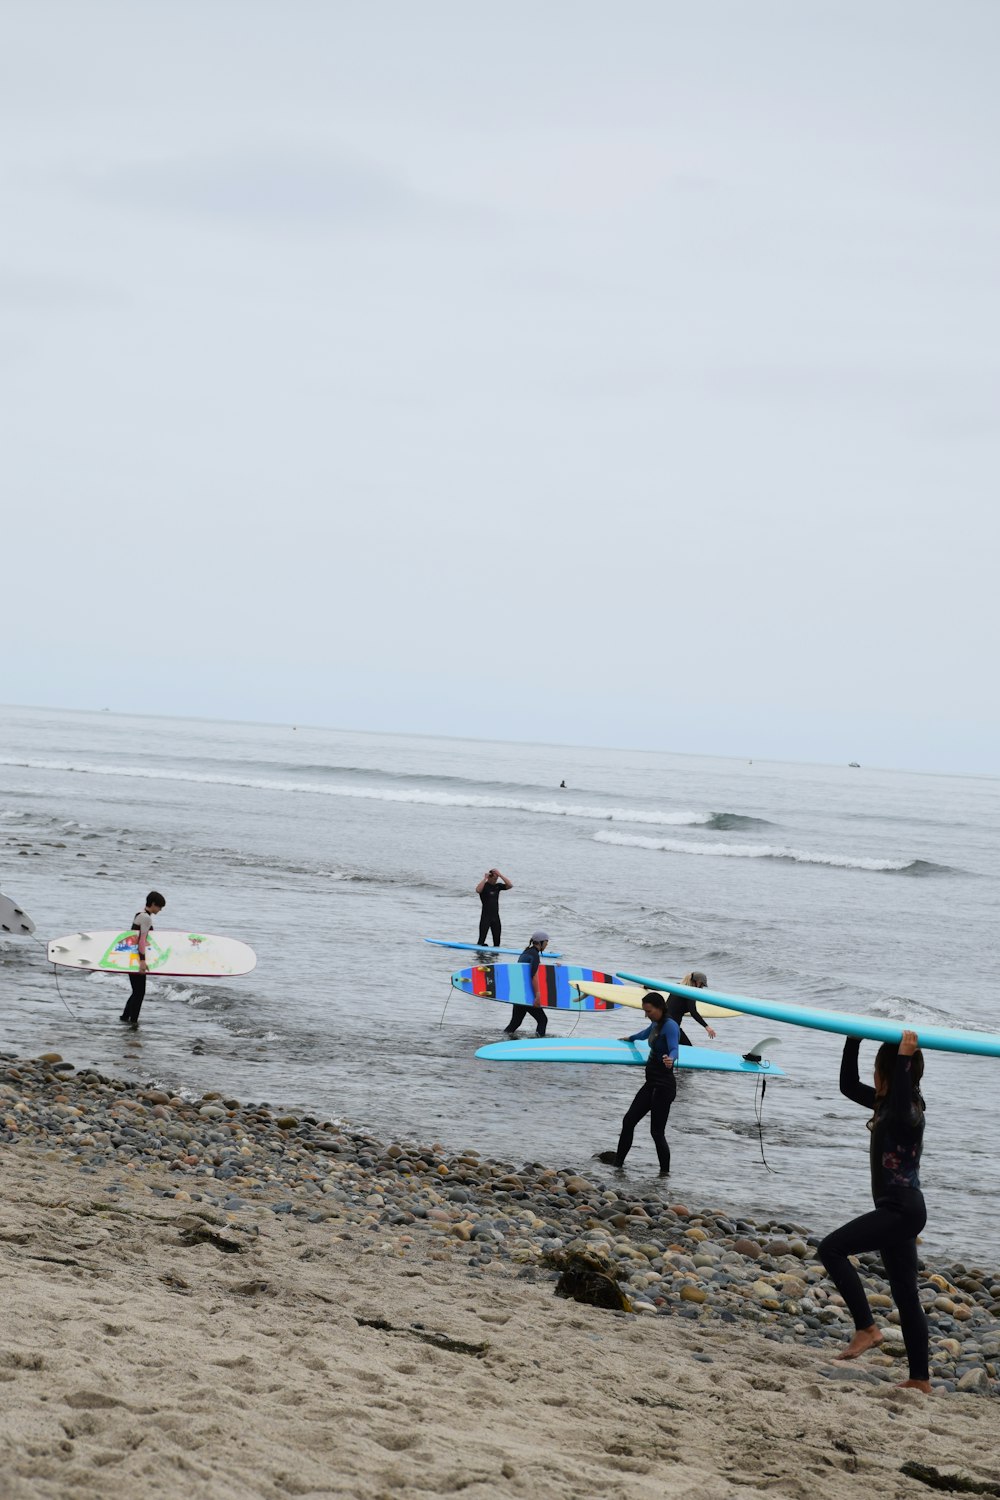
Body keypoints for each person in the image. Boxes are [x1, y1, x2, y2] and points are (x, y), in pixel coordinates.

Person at [817, 1031, 931, 1393]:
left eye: (877, 1069)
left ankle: (866, 1328)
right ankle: (919, 1379)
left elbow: (900, 1098)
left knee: (831, 1249)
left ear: (893, 1072)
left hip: (902, 1209)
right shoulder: (885, 1104)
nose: (874, 1075)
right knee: (905, 1293)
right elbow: (848, 1085)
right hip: (898, 1209)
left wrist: (902, 1057)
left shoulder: (908, 1110)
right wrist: (854, 1039)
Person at [596, 992, 679, 1175]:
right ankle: (618, 1165)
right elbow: (644, 1034)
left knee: (657, 1133)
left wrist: (670, 1059)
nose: (646, 1014)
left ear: (659, 1008)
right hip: (651, 1083)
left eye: (648, 1011)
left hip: (664, 1086)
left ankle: (664, 1174)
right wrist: (630, 1038)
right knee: (629, 1121)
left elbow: (674, 1048)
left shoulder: (671, 1026)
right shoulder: (655, 1023)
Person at [119, 890, 166, 1026]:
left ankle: (125, 1017)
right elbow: (141, 940)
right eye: (159, 907)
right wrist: (143, 961)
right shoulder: (146, 918)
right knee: (140, 992)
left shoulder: (139, 915)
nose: (160, 910)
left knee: (137, 991)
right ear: (153, 904)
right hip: (137, 960)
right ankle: (133, 1022)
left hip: (132, 958)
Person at [503, 931, 550, 1037]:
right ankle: (538, 1044)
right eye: (546, 942)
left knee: (515, 1023)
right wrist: (537, 995)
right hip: (527, 995)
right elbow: (533, 976)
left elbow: (530, 972)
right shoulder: (534, 955)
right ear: (540, 942)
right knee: (542, 1020)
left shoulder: (526, 953)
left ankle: (503, 1039)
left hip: (519, 994)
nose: (547, 945)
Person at [667, 970, 718, 1046]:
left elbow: (661, 987)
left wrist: (646, 986)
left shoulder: (677, 986)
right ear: (696, 982)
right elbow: (693, 1012)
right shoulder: (689, 993)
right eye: (701, 985)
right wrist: (707, 1027)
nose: (701, 988)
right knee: (688, 1048)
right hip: (672, 1027)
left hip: (661, 1022)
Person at [475, 867, 512, 947]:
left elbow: (510, 885)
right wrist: (485, 878)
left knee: (497, 942)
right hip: (485, 917)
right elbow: (478, 890)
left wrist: (500, 875)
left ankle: (495, 957)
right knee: (481, 940)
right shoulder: (484, 886)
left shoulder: (498, 886)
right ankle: (480, 956)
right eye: (495, 878)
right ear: (490, 877)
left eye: (497, 878)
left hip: (496, 917)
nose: (496, 880)